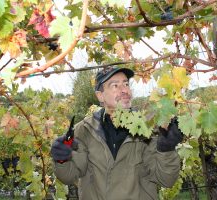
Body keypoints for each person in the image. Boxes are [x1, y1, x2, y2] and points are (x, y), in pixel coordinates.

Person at [51, 66, 183, 200]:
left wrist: (166, 150)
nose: (125, 90)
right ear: (100, 95)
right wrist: (62, 159)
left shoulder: (147, 128)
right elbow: (69, 176)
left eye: (126, 84)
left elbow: (166, 180)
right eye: (115, 86)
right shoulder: (84, 130)